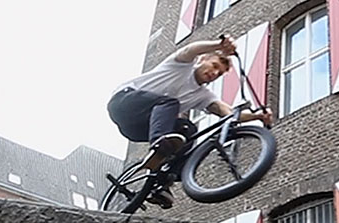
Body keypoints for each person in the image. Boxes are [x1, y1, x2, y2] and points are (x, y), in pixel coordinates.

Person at [107, 35, 273, 208]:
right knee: (170, 103)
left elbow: (227, 112)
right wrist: (219, 45)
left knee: (188, 129)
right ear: (203, 59)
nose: (214, 73)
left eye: (219, 74)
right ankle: (159, 144)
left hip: (137, 128)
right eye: (214, 65)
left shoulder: (203, 95)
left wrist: (257, 117)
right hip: (124, 103)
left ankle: (162, 183)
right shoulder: (181, 66)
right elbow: (190, 50)